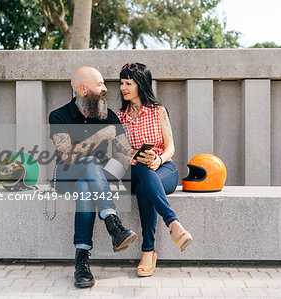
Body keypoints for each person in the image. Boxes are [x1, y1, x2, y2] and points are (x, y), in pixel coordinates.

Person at [48, 66, 138, 288]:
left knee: (85, 186)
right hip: (66, 173)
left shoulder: (109, 115)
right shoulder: (59, 115)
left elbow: (123, 153)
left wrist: (142, 156)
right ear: (83, 89)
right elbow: (67, 157)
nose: (106, 88)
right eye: (99, 85)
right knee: (88, 164)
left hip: (97, 176)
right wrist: (100, 136)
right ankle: (112, 223)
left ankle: (82, 261)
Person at [116, 63, 193, 277]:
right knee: (141, 164)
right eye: (121, 83)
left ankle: (148, 251)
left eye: (128, 83)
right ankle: (174, 224)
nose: (123, 87)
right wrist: (130, 156)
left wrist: (158, 159)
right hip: (133, 171)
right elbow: (116, 151)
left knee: (144, 189)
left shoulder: (158, 111)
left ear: (140, 84)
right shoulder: (119, 116)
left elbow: (171, 148)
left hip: (162, 169)